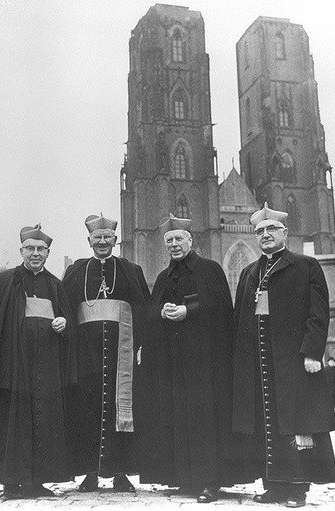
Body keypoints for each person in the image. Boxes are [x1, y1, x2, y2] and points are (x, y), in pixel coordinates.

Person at [231, 203, 335, 508]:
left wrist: (312, 352)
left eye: (271, 230)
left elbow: (318, 314)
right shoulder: (249, 272)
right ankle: (273, 485)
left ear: (285, 234)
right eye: (260, 231)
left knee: (295, 423)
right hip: (259, 363)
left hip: (294, 361)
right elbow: (241, 318)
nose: (265, 235)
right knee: (266, 424)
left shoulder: (305, 266)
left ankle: (297, 489)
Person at [0, 224, 77, 499]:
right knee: (11, 421)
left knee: (43, 421)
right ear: (21, 250)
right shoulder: (5, 280)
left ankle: (38, 481)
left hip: (46, 367)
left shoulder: (55, 284)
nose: (35, 254)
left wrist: (64, 323)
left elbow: (66, 320)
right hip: (12, 366)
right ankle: (10, 482)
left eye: (41, 249)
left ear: (48, 253)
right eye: (30, 249)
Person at [140, 214, 236, 503]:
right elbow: (151, 313)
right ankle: (185, 478)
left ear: (191, 240)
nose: (174, 244)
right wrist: (162, 312)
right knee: (176, 415)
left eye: (179, 239)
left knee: (204, 417)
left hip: (205, 362)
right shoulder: (162, 277)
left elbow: (220, 306)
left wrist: (187, 310)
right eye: (169, 240)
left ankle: (210, 480)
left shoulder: (209, 269)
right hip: (173, 363)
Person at [63, 214, 149, 493]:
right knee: (86, 409)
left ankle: (120, 473)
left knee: (119, 407)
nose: (102, 242)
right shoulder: (77, 270)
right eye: (97, 238)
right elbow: (65, 308)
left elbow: (142, 308)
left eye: (107, 237)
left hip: (120, 352)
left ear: (115, 240)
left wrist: (140, 346)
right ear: (89, 241)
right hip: (85, 352)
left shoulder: (130, 269)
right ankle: (89, 472)